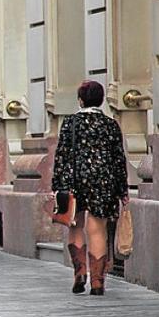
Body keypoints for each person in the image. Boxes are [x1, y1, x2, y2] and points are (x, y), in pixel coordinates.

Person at [51, 79, 130, 296]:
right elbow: (118, 159)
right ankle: (97, 282)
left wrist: (57, 186)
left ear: (80, 100)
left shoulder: (70, 124)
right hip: (103, 184)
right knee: (97, 230)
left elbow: (62, 156)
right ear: (102, 100)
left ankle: (80, 273)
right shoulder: (110, 125)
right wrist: (122, 189)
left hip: (74, 182)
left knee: (75, 226)